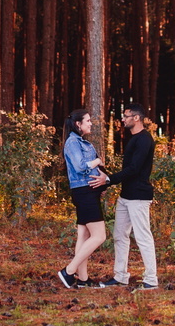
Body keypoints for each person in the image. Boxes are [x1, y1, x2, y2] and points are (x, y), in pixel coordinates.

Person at [99, 103, 158, 291]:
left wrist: (108, 180)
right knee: (119, 236)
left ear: (137, 118)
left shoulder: (144, 140)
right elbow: (128, 170)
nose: (123, 119)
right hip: (125, 196)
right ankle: (121, 276)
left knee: (143, 237)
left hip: (139, 197)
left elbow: (134, 169)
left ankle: (151, 279)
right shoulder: (133, 139)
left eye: (126, 115)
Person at [58, 108, 110, 288]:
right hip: (84, 192)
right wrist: (98, 161)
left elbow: (96, 170)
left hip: (89, 192)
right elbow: (81, 167)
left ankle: (83, 279)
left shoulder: (84, 143)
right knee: (100, 236)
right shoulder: (72, 142)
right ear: (78, 124)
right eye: (88, 121)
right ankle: (68, 271)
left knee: (83, 235)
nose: (91, 123)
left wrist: (103, 184)